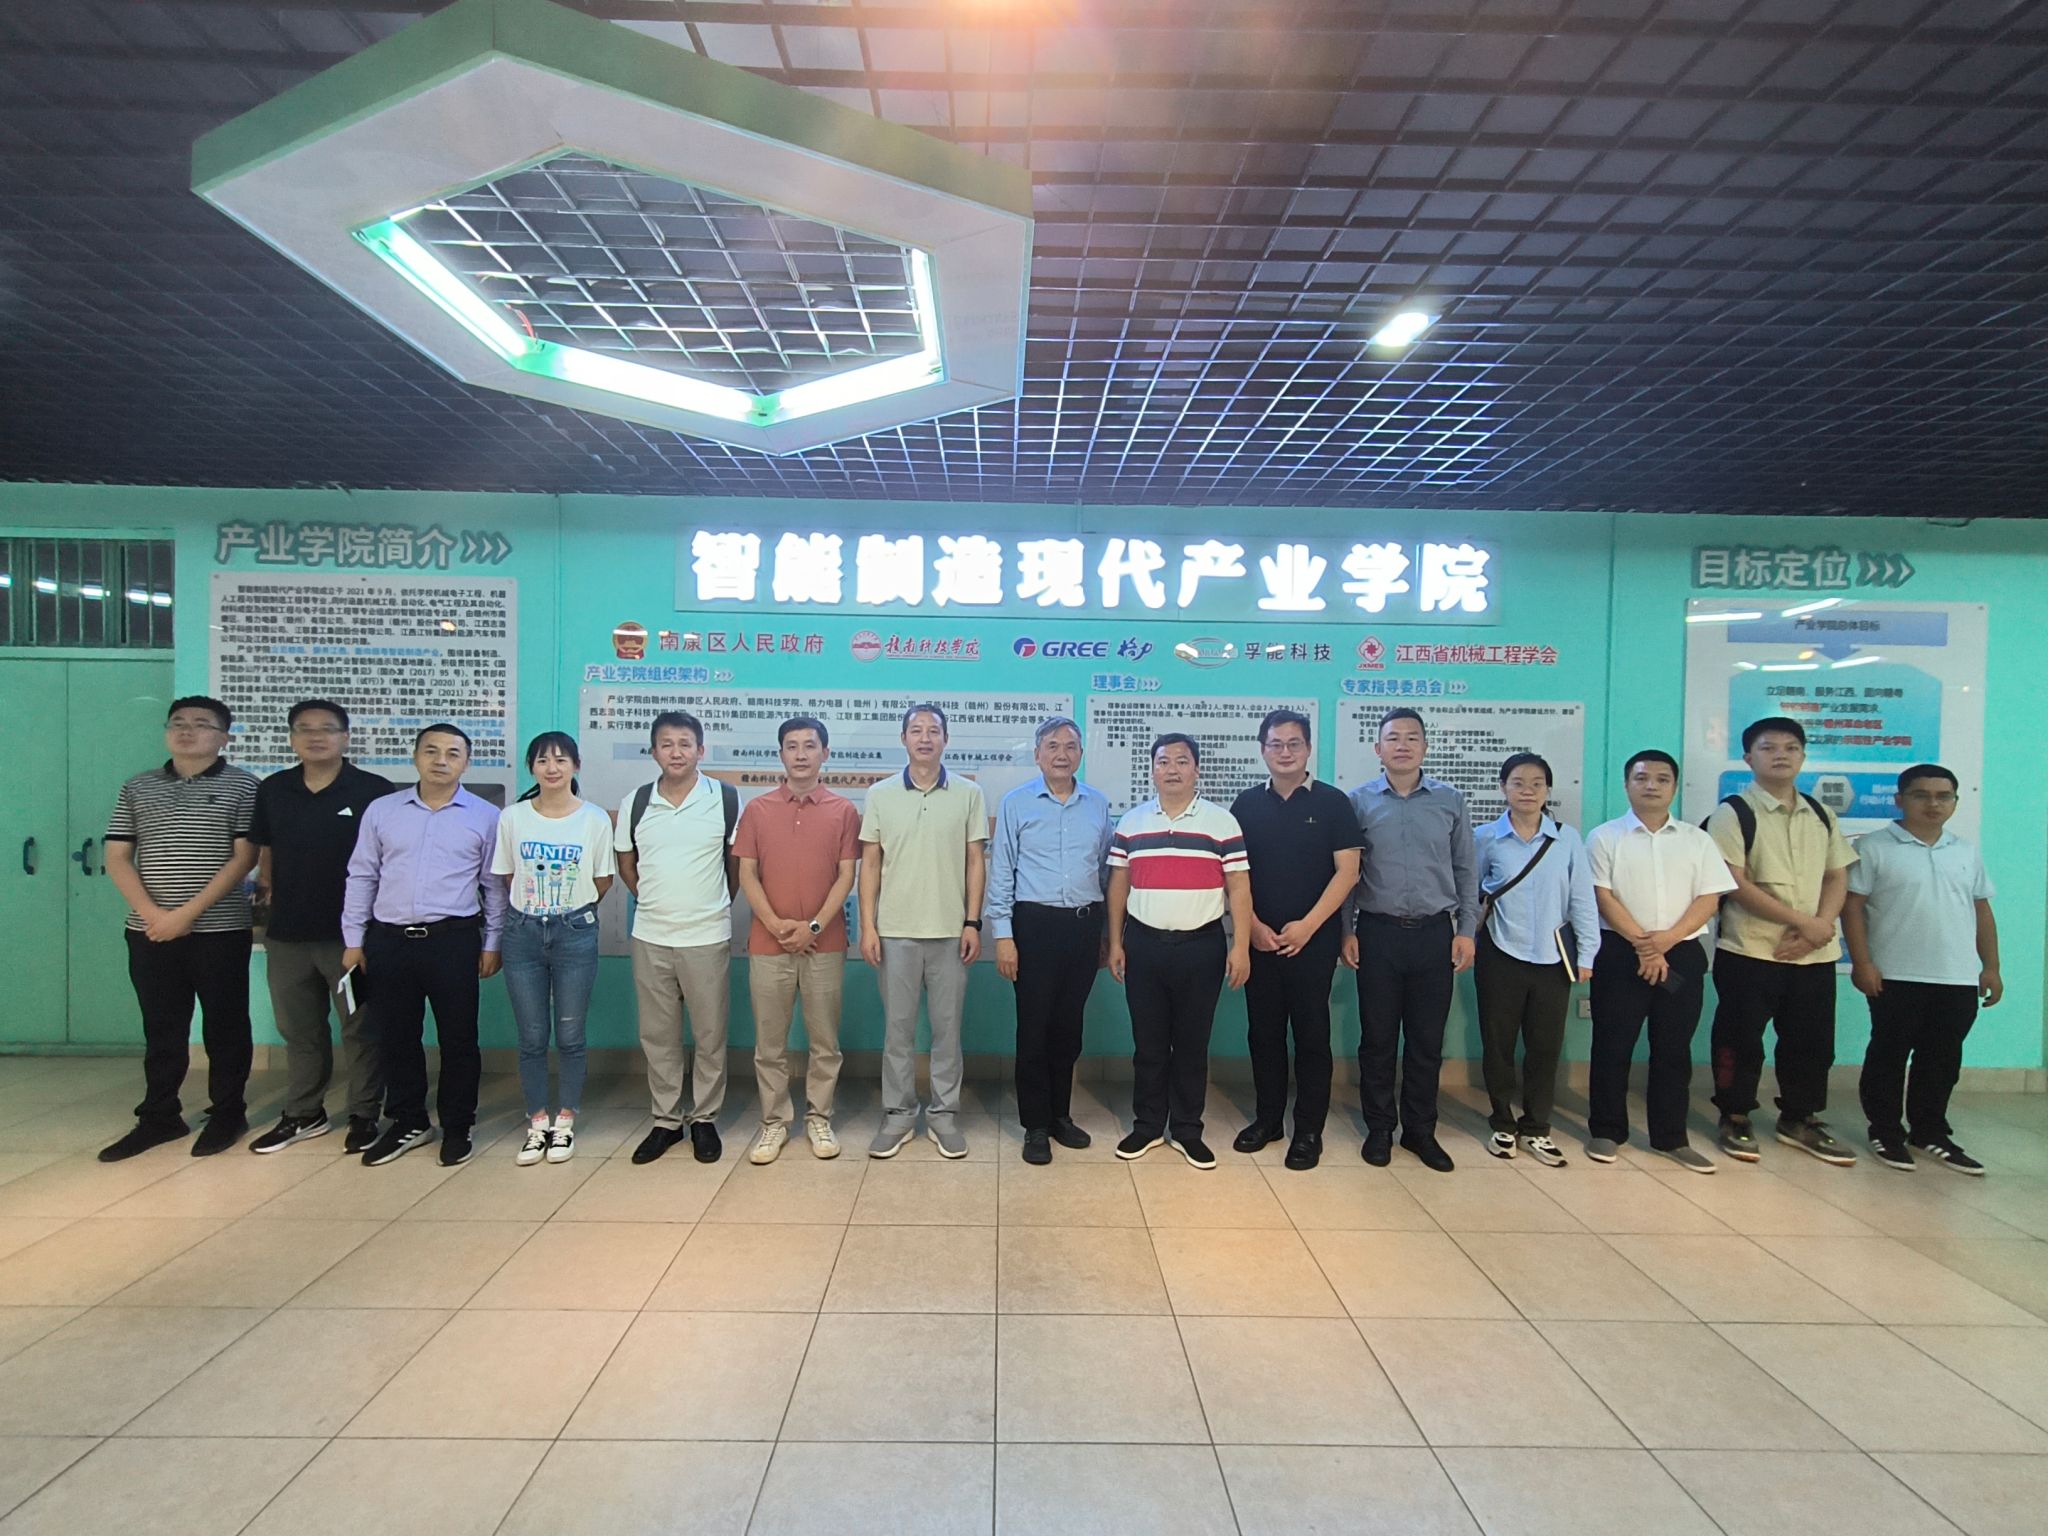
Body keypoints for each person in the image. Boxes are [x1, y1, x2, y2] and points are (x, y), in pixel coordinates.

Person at [97, 696, 261, 1162]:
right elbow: (118, 856)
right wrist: (152, 914)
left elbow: (244, 858)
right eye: (178, 723)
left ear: (224, 737)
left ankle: (228, 1111)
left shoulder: (243, 786)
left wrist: (187, 914)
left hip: (220, 928)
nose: (187, 731)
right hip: (149, 929)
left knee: (226, 1024)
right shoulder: (138, 786)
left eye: (202, 724)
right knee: (162, 1025)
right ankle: (159, 1116)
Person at [341, 723, 506, 1168]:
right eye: (431, 751)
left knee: (459, 1038)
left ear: (466, 763)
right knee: (396, 1036)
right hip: (389, 940)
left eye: (453, 753)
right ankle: (409, 1121)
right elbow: (362, 874)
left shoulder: (484, 816)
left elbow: (493, 886)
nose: (441, 761)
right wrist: (354, 939)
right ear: (415, 756)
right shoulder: (383, 810)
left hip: (452, 939)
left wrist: (492, 942)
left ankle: (458, 1124)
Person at [1705, 716, 1860, 1166]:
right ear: (1748, 757)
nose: (1781, 755)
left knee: (1812, 1043)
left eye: (1791, 748)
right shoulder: (1733, 812)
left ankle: (1799, 1117)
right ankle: (1735, 1115)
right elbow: (1732, 881)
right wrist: (1802, 923)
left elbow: (1837, 875)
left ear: (1803, 757)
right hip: (1751, 949)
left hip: (1814, 955)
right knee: (1740, 1040)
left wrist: (1820, 926)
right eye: (1768, 747)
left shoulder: (1821, 813)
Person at [246, 700, 395, 1156]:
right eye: (304, 729)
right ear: (292, 738)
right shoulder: (274, 789)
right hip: (288, 933)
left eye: (327, 729)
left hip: (352, 937)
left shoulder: (373, 791)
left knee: (361, 1028)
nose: (316, 737)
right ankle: (304, 1112)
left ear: (346, 737)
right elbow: (266, 851)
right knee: (300, 1030)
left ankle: (364, 1114)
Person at [1844, 764, 2001, 1174]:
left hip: (1957, 976)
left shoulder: (1965, 850)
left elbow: (1981, 910)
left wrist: (1991, 967)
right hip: (1895, 975)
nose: (1933, 803)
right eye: (1921, 795)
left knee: (1942, 1059)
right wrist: (1862, 963)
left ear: (1955, 802)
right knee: (1889, 1055)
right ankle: (1885, 1131)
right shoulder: (1873, 847)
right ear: (1900, 799)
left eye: (1943, 796)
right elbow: (1852, 908)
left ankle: (1930, 1132)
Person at [1106, 733, 1252, 1171]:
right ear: (1151, 769)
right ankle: (1148, 1125)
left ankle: (1188, 1129)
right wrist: (1115, 941)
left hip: (1201, 946)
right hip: (1143, 944)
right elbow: (1118, 885)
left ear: (1197, 769)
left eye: (1182, 761)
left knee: (1192, 1043)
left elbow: (1239, 888)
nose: (1172, 769)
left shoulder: (1221, 823)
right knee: (1148, 1043)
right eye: (1163, 761)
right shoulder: (1132, 822)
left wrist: (1240, 946)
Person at [1584, 750, 1735, 1172]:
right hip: (1620, 951)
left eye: (1662, 778)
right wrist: (1644, 945)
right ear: (1626, 784)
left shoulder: (1696, 840)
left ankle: (1671, 1138)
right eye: (1641, 777)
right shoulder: (1604, 837)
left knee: (1673, 1049)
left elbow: (1710, 897)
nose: (1651, 785)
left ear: (1675, 786)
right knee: (1612, 1044)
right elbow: (1601, 895)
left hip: (1681, 953)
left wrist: (1665, 941)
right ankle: (1607, 1130)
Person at [1341, 708, 1478, 1173]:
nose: (1402, 745)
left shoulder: (1450, 800)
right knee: (1377, 1039)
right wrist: (1346, 930)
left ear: (1425, 746)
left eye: (1412, 737)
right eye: (1393, 737)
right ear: (1377, 748)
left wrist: (1466, 931)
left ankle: (1421, 1131)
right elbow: (1348, 874)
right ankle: (1379, 1128)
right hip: (1377, 933)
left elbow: (1466, 870)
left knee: (1426, 1041)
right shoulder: (1358, 802)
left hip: (1435, 935)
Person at [1227, 709, 1361, 1171]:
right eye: (1275, 744)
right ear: (1262, 749)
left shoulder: (1333, 802)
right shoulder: (1245, 805)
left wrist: (1309, 926)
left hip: (1313, 942)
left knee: (1311, 1036)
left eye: (1294, 744)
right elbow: (1233, 876)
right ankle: (1268, 1120)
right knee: (1263, 1034)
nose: (1284, 752)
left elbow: (1348, 871)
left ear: (1308, 749)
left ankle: (1308, 1130)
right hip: (1260, 940)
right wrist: (1252, 927)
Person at [860, 703, 988, 1160]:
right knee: (897, 1032)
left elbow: (975, 861)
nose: (925, 738)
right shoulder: (880, 794)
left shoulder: (969, 793)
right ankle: (898, 1114)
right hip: (894, 933)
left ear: (946, 740)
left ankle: (943, 1114)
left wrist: (972, 921)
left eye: (934, 731)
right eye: (916, 730)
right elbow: (870, 863)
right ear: (903, 739)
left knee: (946, 1031)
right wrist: (869, 925)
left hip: (951, 933)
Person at [989, 716, 1116, 1166]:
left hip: (1083, 925)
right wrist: (1004, 937)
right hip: (1034, 926)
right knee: (1034, 1029)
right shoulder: (1016, 803)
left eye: (1070, 745)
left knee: (1068, 1028)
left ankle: (1061, 1115)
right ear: (1038, 754)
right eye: (1053, 745)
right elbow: (1001, 872)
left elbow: (1106, 872)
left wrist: (1105, 933)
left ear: (1080, 753)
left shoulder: (1097, 804)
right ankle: (1035, 1125)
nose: (1062, 754)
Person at [734, 715, 859, 1165]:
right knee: (770, 1043)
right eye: (792, 746)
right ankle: (774, 1122)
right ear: (781, 754)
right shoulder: (758, 809)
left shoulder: (844, 810)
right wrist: (775, 925)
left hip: (825, 944)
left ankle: (819, 1117)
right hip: (768, 944)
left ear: (825, 753)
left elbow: (847, 876)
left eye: (810, 745)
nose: (801, 754)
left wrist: (813, 927)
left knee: (825, 1042)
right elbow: (747, 874)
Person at [617, 710, 738, 1166]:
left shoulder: (725, 799)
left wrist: (710, 905)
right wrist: (653, 901)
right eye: (666, 744)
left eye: (685, 743)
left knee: (710, 1034)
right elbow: (627, 864)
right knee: (658, 1035)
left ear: (700, 750)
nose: (676, 752)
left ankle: (704, 1118)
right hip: (651, 935)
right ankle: (666, 1121)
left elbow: (734, 867)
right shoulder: (636, 802)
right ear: (653, 751)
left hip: (707, 936)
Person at [493, 732, 614, 1167]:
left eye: (561, 760)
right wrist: (537, 907)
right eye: (543, 760)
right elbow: (509, 875)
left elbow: (602, 880)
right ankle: (536, 1121)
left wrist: (565, 911)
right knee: (531, 1036)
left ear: (576, 766)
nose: (552, 768)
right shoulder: (513, 817)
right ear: (531, 767)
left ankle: (565, 1121)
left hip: (574, 932)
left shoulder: (594, 819)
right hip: (522, 932)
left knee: (570, 1034)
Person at [1473, 752, 1599, 1167]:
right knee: (1498, 1045)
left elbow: (1582, 899)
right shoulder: (1485, 837)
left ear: (1548, 790)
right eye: (1517, 782)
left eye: (1536, 783)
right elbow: (1472, 895)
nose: (1527, 791)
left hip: (1553, 958)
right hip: (1500, 953)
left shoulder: (1567, 839)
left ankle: (1537, 1127)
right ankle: (1502, 1123)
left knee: (1545, 1047)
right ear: (1502, 788)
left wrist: (1588, 953)